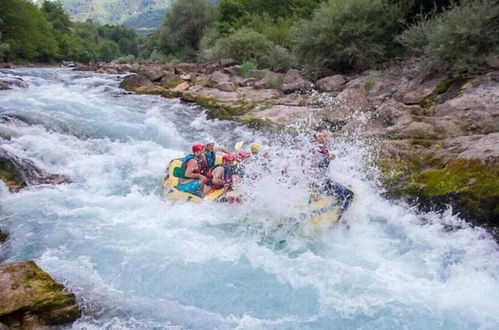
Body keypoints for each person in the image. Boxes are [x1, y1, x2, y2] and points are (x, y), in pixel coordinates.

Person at [310, 130, 354, 213]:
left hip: (324, 182)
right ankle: (337, 218)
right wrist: (313, 190)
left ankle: (334, 213)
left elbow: (331, 157)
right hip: (321, 184)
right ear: (317, 138)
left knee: (342, 195)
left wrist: (330, 155)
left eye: (326, 135)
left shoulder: (322, 149)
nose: (327, 137)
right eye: (324, 135)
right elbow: (311, 168)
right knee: (350, 195)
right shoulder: (316, 149)